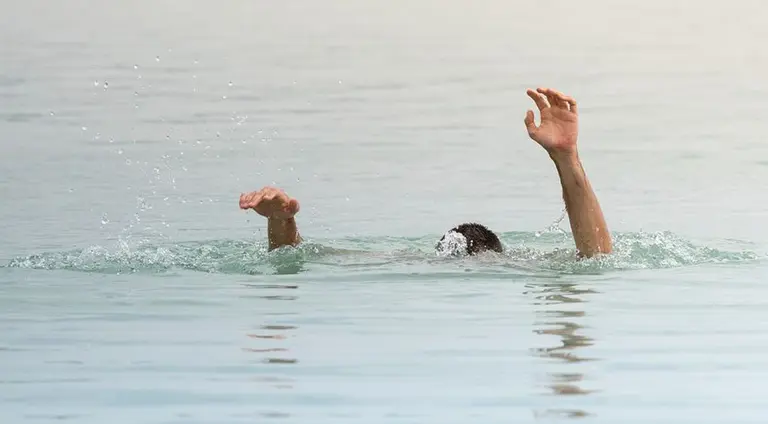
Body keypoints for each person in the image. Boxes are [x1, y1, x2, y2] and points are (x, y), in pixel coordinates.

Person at [239, 87, 612, 258]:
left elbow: (299, 256)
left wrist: (282, 224)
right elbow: (596, 256)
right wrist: (567, 159)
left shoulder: (405, 260)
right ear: (496, 256)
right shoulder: (517, 267)